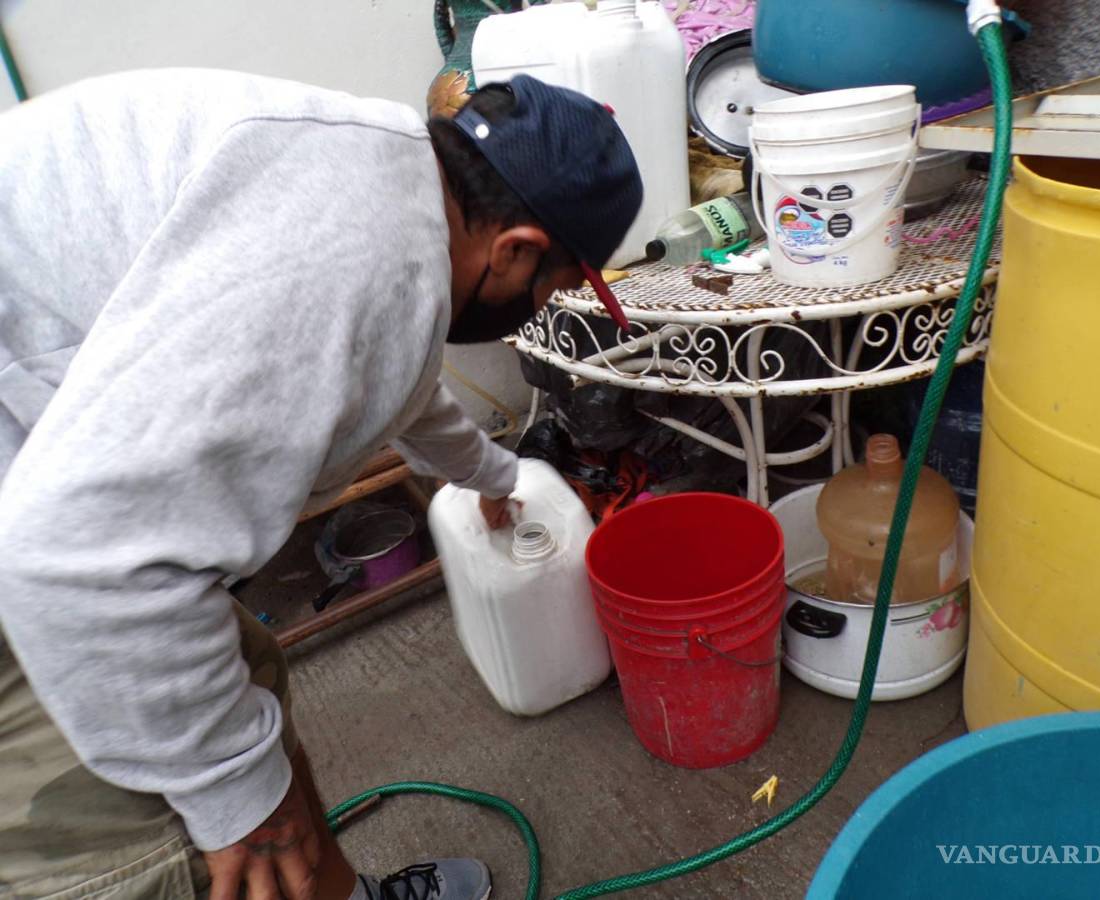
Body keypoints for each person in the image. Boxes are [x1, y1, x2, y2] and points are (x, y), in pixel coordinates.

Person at [0, 70, 642, 900]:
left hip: (53, 478)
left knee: (244, 676)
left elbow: (392, 377)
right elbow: (74, 561)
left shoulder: (384, 179)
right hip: (52, 550)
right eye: (553, 288)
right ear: (514, 248)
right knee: (151, 836)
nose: (539, 308)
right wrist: (235, 802)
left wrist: (493, 473)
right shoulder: (348, 268)